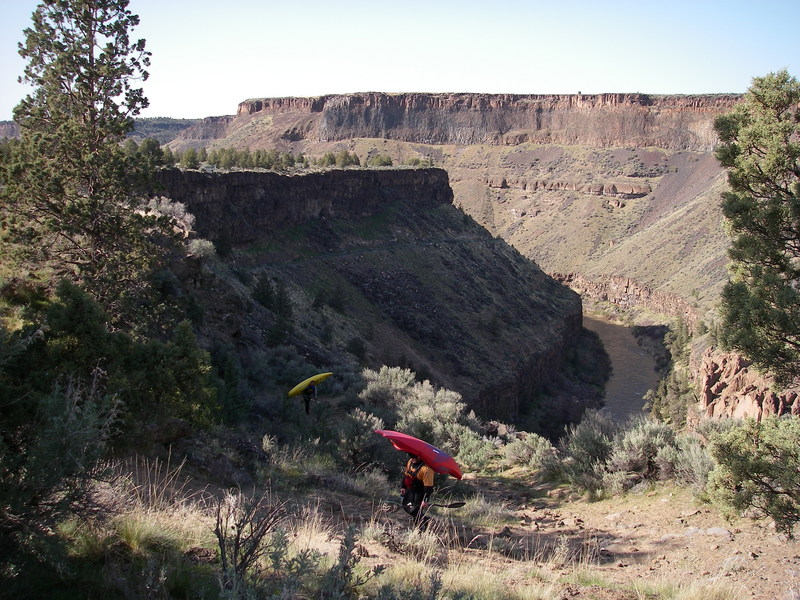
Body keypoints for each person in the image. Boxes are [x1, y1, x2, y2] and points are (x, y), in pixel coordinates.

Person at [400, 452, 434, 530]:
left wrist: (425, 500)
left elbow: (428, 487)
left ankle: (421, 528)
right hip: (410, 490)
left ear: (420, 457)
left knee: (416, 510)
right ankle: (425, 521)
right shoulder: (410, 462)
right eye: (411, 458)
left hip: (420, 492)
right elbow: (406, 475)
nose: (412, 460)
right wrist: (403, 487)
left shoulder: (427, 469)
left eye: (414, 458)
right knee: (406, 506)